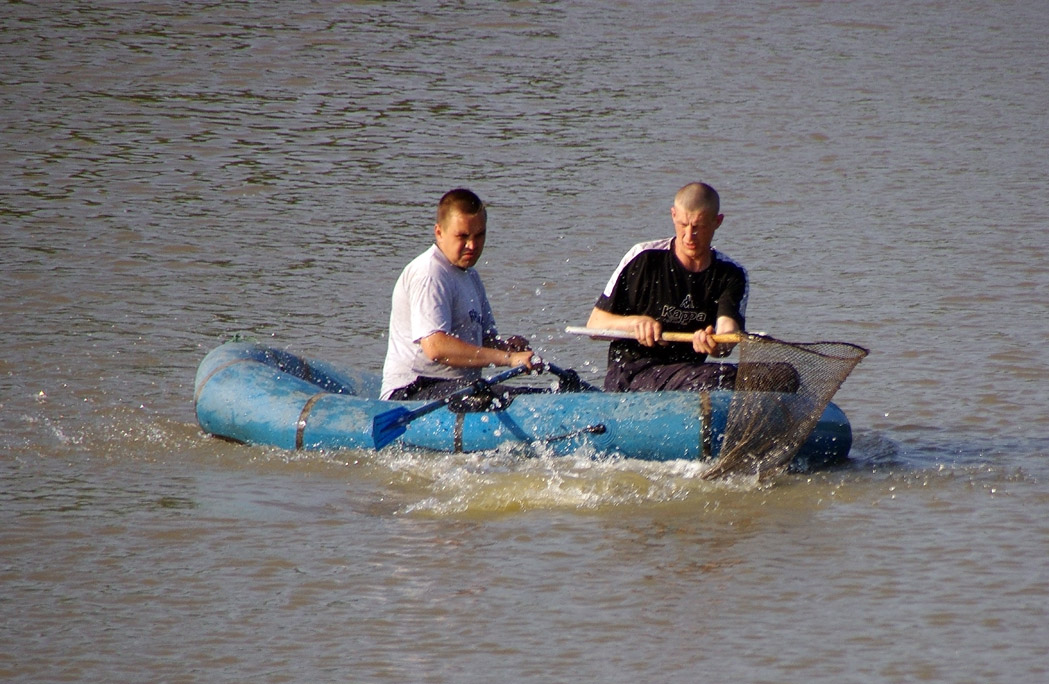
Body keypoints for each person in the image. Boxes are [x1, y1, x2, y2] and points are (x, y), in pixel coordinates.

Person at [380, 188, 540, 401]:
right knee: (506, 397)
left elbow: (483, 343)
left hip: (459, 388)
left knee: (534, 394)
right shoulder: (429, 273)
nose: (472, 245)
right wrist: (509, 358)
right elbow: (436, 347)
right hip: (411, 393)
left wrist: (509, 348)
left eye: (479, 235)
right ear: (439, 232)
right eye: (462, 236)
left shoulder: (470, 276)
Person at [586, 181, 748, 392]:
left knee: (779, 375)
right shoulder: (643, 258)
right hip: (633, 374)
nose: (689, 236)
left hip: (690, 373)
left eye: (698, 227)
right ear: (673, 215)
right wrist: (635, 323)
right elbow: (594, 326)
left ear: (717, 222)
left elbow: (728, 331)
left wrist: (717, 345)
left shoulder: (731, 274)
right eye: (682, 225)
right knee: (719, 379)